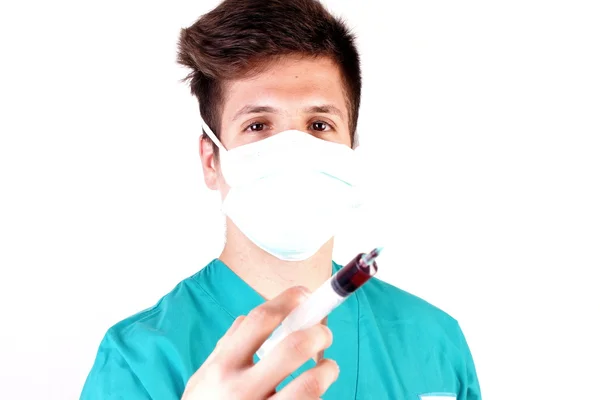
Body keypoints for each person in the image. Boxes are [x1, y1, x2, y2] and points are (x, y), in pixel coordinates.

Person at [80, 0, 482, 399]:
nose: (293, 150)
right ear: (211, 160)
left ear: (351, 153)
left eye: (319, 124)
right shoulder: (139, 361)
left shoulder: (434, 343)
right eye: (257, 125)